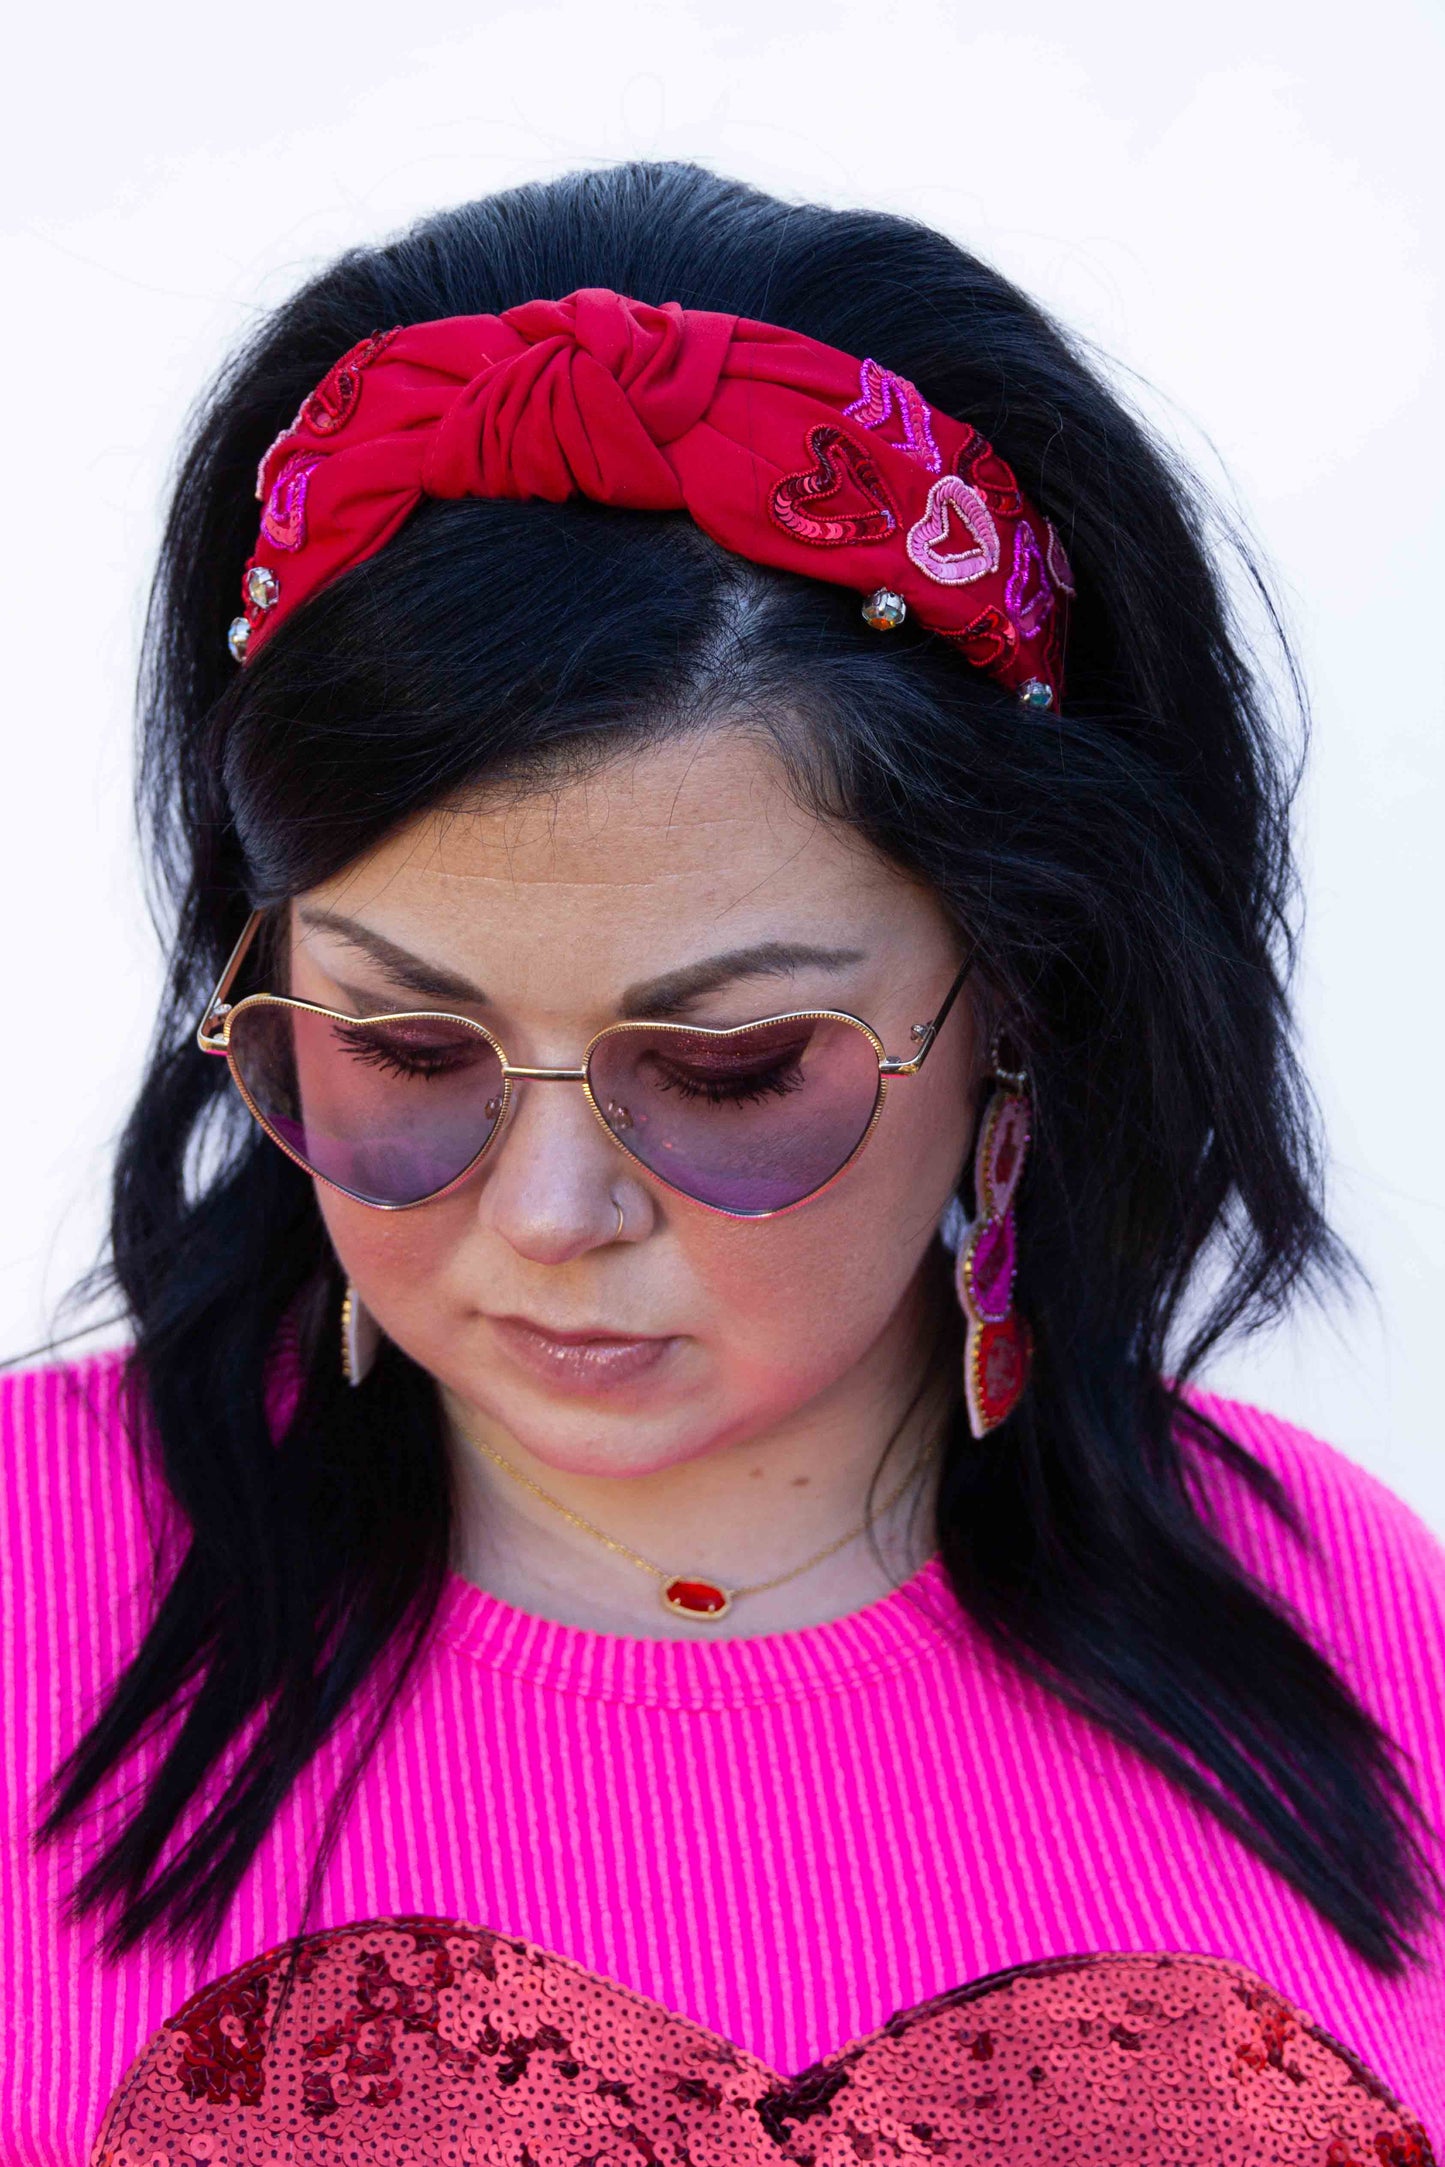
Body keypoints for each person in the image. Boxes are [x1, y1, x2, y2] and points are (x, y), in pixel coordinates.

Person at [2, 161, 1441, 2164]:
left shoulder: (1364, 1645)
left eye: (734, 1068)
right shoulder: (27, 1584)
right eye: (404, 1048)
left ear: (1018, 992)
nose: (545, 1217)